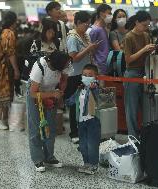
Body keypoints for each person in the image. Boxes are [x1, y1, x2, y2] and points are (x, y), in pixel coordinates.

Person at [27, 51, 72, 172]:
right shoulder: (40, 66)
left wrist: (60, 94)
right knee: (36, 127)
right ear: (58, 65)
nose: (68, 66)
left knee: (50, 127)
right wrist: (52, 94)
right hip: (36, 93)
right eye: (66, 64)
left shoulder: (65, 65)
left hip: (52, 93)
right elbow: (32, 92)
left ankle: (49, 157)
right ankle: (37, 159)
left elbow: (64, 80)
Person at [65, 11, 98, 143]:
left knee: (85, 102)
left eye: (89, 24)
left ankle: (84, 129)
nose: (88, 26)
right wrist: (89, 48)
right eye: (86, 24)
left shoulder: (85, 35)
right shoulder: (72, 37)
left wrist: (92, 48)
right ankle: (74, 133)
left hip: (86, 74)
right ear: (78, 22)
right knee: (74, 104)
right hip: (74, 75)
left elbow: (89, 53)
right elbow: (74, 58)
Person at [123, 11, 155, 138]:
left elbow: (146, 55)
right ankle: (133, 137)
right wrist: (144, 49)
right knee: (132, 109)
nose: (146, 28)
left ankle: (145, 136)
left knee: (145, 106)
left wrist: (152, 49)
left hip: (145, 72)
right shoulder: (129, 37)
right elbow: (128, 59)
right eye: (144, 25)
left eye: (148, 25)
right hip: (132, 73)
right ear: (136, 22)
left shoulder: (146, 35)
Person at [66, 64, 101, 175]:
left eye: (90, 75)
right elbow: (72, 100)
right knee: (83, 145)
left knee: (92, 144)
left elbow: (98, 95)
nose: (87, 77)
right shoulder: (80, 88)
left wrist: (94, 87)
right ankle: (86, 163)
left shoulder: (96, 89)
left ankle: (94, 165)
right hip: (81, 121)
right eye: (84, 75)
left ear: (96, 77)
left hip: (92, 121)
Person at [0, 11, 20, 130]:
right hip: (5, 67)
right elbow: (11, 53)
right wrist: (16, 70)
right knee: (3, 92)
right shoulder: (9, 33)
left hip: (1, 66)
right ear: (13, 21)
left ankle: (4, 119)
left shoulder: (3, 32)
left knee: (5, 92)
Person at [89, 4, 112, 74]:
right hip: (98, 65)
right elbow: (91, 50)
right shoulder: (95, 30)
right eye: (109, 13)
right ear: (101, 13)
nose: (111, 16)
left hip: (105, 63)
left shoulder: (103, 28)